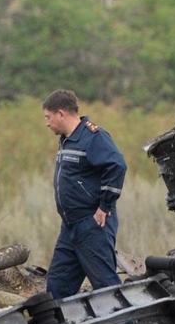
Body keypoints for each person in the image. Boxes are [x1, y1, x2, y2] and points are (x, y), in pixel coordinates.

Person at [42, 89, 126, 301]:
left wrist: (104, 206)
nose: (46, 123)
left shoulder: (93, 137)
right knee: (57, 286)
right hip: (69, 226)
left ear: (61, 114)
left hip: (92, 225)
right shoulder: (67, 140)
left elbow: (117, 166)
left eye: (48, 117)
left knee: (106, 286)